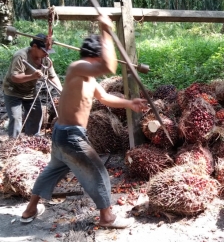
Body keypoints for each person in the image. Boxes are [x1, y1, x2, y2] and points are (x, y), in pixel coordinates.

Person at [20, 15, 148, 229]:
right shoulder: (78, 67)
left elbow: (105, 98)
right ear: (97, 55)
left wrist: (129, 102)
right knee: (98, 171)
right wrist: (106, 31)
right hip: (70, 135)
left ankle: (30, 209)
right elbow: (109, 66)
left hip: (63, 135)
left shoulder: (87, 77)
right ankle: (107, 217)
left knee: (53, 170)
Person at [3, 34, 63, 138]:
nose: (46, 54)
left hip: (29, 90)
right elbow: (15, 77)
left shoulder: (45, 59)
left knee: (36, 114)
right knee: (16, 118)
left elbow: (52, 76)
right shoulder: (21, 56)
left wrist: (62, 92)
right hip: (13, 90)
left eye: (48, 51)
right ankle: (13, 142)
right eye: (44, 51)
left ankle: (32, 139)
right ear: (34, 46)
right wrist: (32, 76)